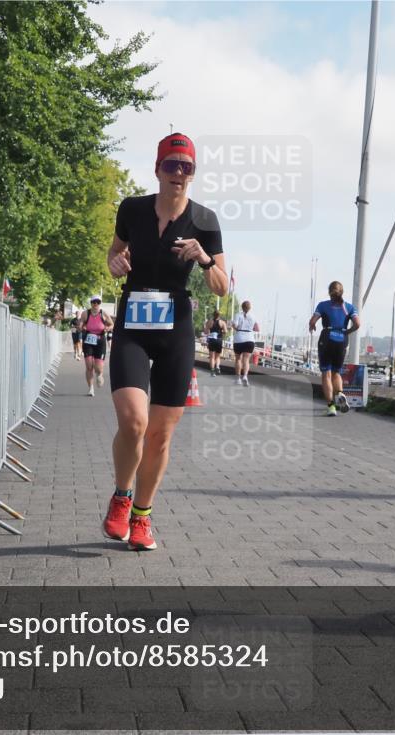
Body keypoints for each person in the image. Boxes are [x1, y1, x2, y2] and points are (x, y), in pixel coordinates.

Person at [103, 133, 228, 550]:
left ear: (193, 174)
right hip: (133, 326)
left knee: (159, 434)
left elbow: (222, 287)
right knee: (133, 421)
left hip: (176, 330)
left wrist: (204, 258)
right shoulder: (133, 209)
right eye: (171, 165)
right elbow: (114, 255)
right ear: (157, 169)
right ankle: (122, 496)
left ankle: (142, 515)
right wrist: (116, 264)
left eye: (186, 167)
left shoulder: (205, 221)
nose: (178, 173)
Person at [309, 281, 360, 417]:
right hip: (342, 339)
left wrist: (311, 326)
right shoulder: (349, 307)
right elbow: (357, 324)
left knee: (326, 373)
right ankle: (340, 394)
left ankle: (331, 407)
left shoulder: (323, 305)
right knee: (336, 372)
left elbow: (313, 321)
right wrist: (347, 332)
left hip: (327, 337)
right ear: (342, 292)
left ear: (329, 291)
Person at [81, 296, 113, 397]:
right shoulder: (86, 313)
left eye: (97, 302)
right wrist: (81, 326)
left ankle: (99, 374)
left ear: (100, 303)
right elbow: (81, 323)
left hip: (100, 340)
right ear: (91, 303)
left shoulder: (104, 313)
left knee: (98, 368)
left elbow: (112, 324)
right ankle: (91, 388)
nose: (95, 304)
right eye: (93, 302)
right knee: (89, 366)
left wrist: (108, 328)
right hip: (89, 339)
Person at [231, 300, 259, 386]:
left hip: (239, 338)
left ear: (242, 307)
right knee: (246, 360)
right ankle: (245, 376)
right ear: (250, 308)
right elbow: (257, 328)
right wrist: (249, 328)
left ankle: (238, 379)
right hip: (249, 339)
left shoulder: (237, 315)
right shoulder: (253, 316)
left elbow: (235, 325)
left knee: (238, 359)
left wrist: (235, 326)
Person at [204, 309, 226, 376]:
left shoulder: (209, 322)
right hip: (219, 340)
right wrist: (221, 332)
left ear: (213, 314)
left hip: (212, 340)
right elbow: (225, 332)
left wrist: (209, 332)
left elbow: (206, 332)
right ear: (219, 315)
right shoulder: (222, 322)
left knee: (212, 357)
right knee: (218, 356)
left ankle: (212, 371)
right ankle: (217, 367)